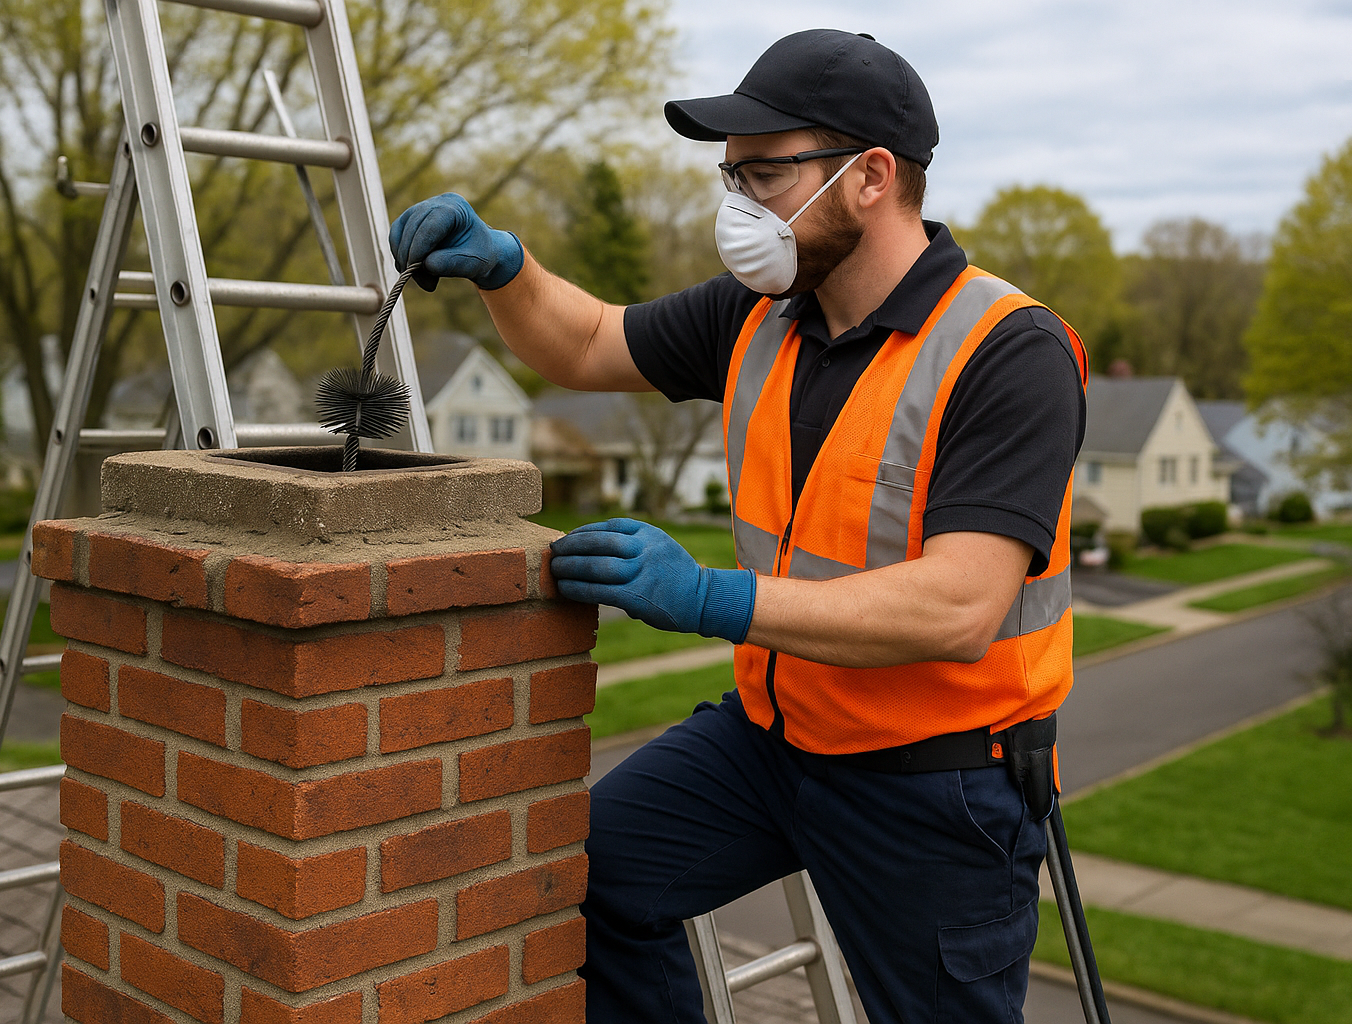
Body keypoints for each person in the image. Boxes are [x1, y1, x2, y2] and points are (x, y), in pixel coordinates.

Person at [390, 28, 1087, 1024]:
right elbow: (589, 342)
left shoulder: (1007, 350)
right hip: (774, 742)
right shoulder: (762, 313)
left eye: (764, 174)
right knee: (587, 873)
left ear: (871, 176)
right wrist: (506, 271)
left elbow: (960, 606)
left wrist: (707, 596)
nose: (738, 205)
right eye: (732, 176)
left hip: (938, 782)